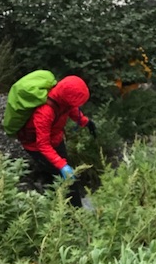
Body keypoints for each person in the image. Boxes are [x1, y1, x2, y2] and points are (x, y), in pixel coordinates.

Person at [16, 74, 96, 208]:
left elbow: (70, 109)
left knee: (66, 176)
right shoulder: (45, 112)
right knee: (65, 179)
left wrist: (85, 122)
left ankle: (70, 203)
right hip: (36, 147)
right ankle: (72, 213)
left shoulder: (62, 98)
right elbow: (42, 144)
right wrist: (62, 166)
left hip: (56, 139)